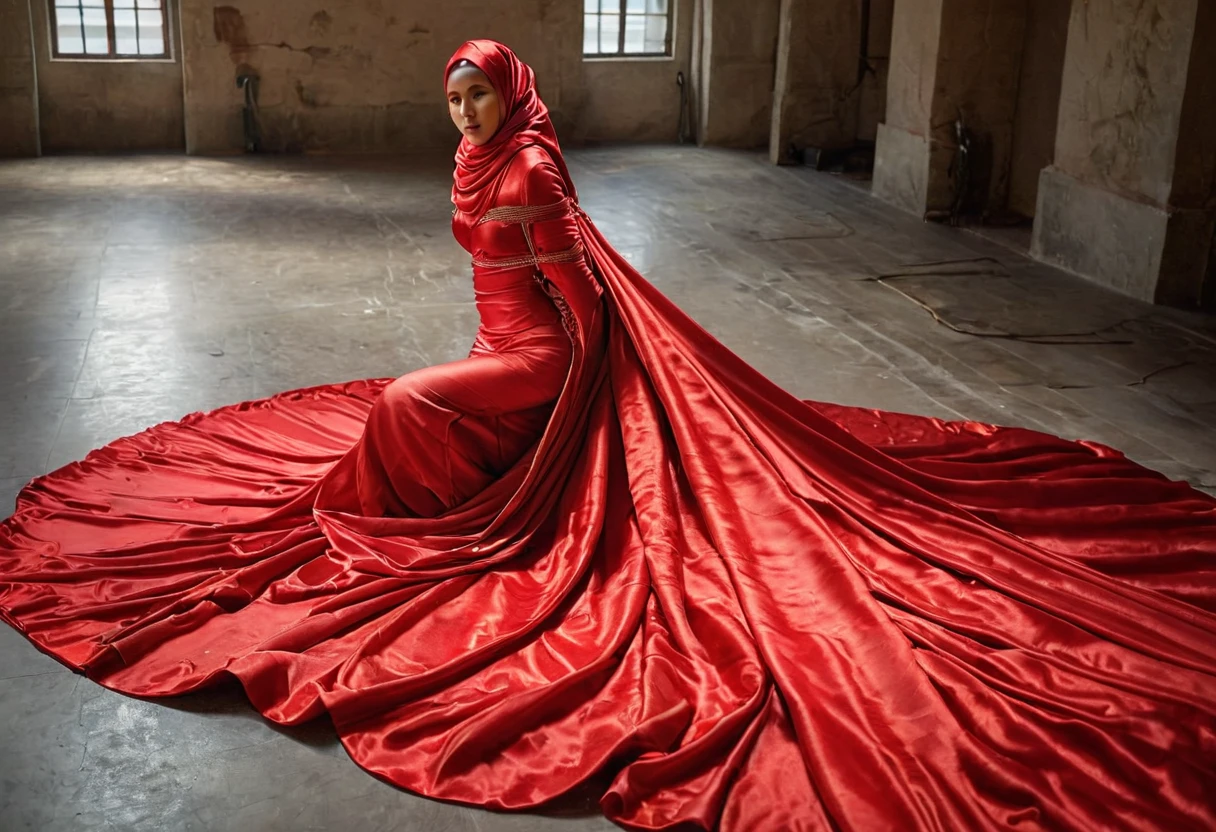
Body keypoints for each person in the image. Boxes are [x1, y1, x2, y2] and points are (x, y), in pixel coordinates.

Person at [2, 39, 1214, 832]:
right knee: (416, 395)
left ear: (516, 91)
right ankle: (433, 492)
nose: (464, 109)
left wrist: (581, 399)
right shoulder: (477, 163)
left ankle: (404, 514)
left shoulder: (526, 172)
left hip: (542, 358)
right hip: (505, 346)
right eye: (453, 94)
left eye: (479, 91)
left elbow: (578, 310)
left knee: (402, 402)